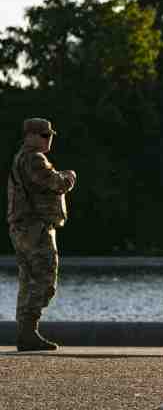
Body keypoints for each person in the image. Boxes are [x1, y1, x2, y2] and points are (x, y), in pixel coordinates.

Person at [7, 118, 77, 351]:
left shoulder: (22, 157)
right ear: (30, 136)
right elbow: (56, 183)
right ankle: (28, 332)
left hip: (24, 228)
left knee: (28, 280)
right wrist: (69, 177)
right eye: (44, 135)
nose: (49, 139)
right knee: (46, 279)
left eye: (50, 135)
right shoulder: (34, 159)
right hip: (34, 229)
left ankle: (25, 333)